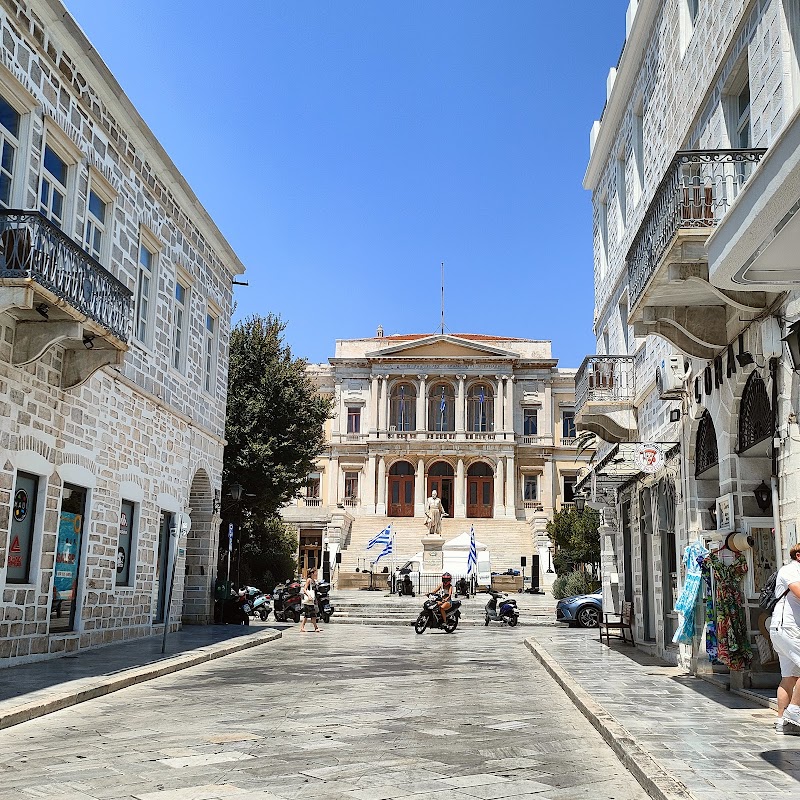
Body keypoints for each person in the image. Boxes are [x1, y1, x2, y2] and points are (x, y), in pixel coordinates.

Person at [771, 543, 800, 734]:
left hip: (786, 629)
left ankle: (782, 721)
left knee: (789, 677)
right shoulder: (790, 570)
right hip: (788, 627)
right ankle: (795, 711)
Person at [300, 568, 322, 633]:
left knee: (307, 615)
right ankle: (315, 627)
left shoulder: (314, 581)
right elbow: (304, 589)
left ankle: (302, 627)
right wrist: (309, 595)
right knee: (312, 614)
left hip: (312, 601)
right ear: (312, 573)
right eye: (315, 572)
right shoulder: (309, 580)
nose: (316, 574)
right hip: (309, 601)